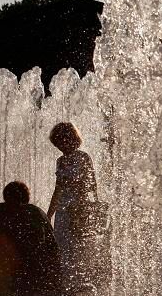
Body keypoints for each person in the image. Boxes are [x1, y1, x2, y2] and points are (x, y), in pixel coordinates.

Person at [0, 181, 61, 294]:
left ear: (6, 198)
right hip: (42, 273)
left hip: (29, 273)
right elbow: (51, 249)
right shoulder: (36, 213)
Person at [47, 121, 98, 292]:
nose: (60, 147)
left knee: (77, 248)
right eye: (58, 144)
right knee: (62, 247)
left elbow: (92, 185)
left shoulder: (83, 157)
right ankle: (66, 285)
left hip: (78, 210)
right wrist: (49, 215)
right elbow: (57, 190)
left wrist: (89, 206)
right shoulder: (60, 161)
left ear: (71, 139)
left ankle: (78, 284)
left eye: (62, 142)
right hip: (62, 212)